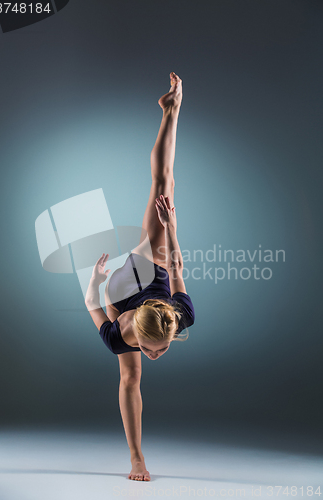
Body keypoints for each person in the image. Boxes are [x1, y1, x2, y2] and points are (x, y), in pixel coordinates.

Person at [85, 73, 195, 481]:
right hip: (131, 285)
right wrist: (171, 227)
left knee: (129, 375)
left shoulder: (162, 322)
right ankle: (174, 110)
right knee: (165, 190)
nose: (155, 355)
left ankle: (170, 111)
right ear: (137, 334)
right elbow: (176, 268)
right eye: (152, 349)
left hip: (126, 291)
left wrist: (96, 280)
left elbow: (91, 303)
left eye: (158, 350)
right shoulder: (150, 322)